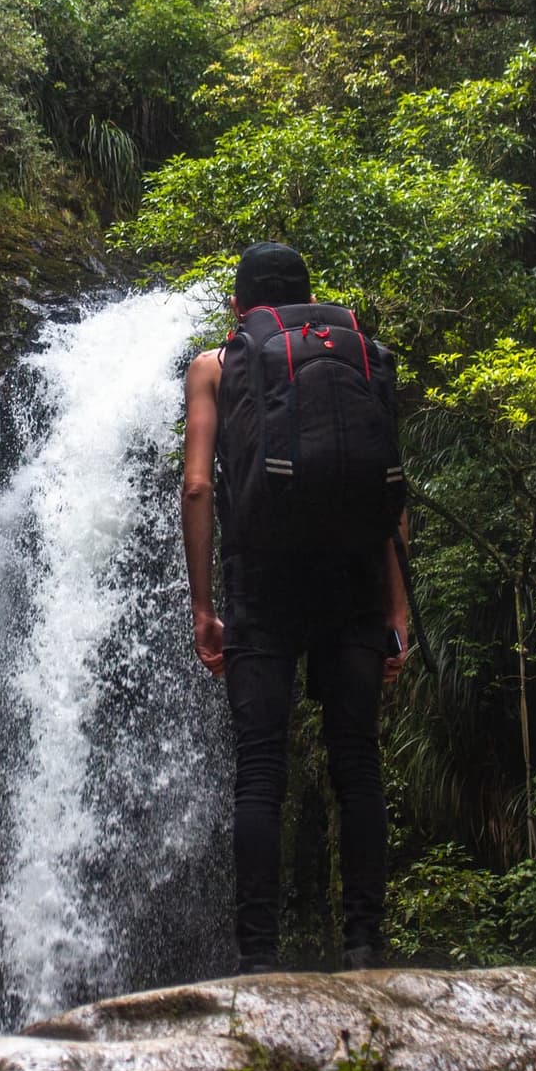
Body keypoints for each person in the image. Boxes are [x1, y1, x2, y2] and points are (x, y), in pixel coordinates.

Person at [179, 241, 409, 973]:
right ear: (304, 298)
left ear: (240, 307)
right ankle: (365, 944)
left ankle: (258, 959)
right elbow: (393, 495)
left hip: (263, 578)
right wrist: (396, 612)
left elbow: (196, 486)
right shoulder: (363, 355)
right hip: (354, 581)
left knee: (260, 770)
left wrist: (203, 607)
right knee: (358, 763)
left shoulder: (218, 364)